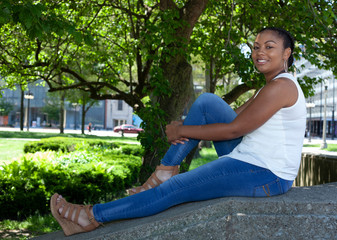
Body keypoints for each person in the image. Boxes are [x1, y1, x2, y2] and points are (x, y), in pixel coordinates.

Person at [50, 27, 306, 236]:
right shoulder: (271, 85)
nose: (259, 52)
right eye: (256, 47)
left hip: (266, 173)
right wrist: (187, 128)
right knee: (207, 102)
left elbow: (233, 129)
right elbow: (236, 117)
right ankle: (164, 170)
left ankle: (90, 216)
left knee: (175, 189)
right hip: (251, 158)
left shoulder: (280, 87)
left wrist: (182, 129)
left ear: (287, 53)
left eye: (269, 47)